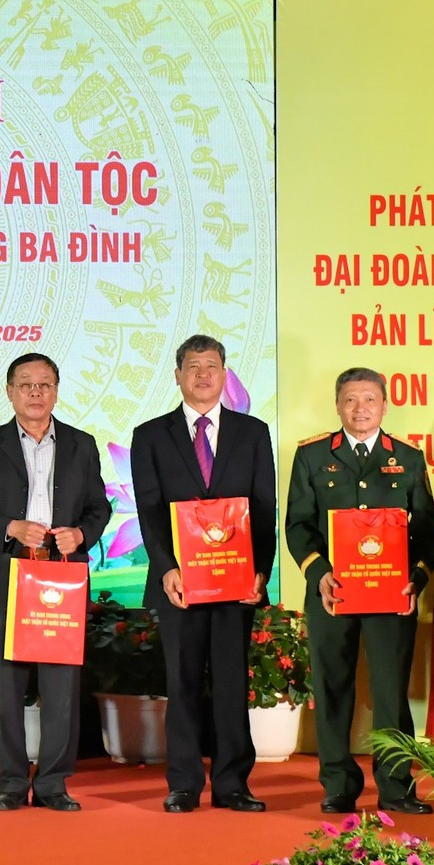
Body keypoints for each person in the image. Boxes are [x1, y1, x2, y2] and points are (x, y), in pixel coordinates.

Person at [129, 336, 277, 814]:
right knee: (184, 681)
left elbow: (264, 509)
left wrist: (261, 571)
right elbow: (148, 509)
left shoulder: (252, 433)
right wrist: (167, 568)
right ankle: (185, 783)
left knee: (233, 682)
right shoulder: (150, 435)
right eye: (193, 367)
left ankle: (234, 783)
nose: (202, 375)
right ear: (177, 375)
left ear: (224, 373)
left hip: (237, 585)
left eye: (211, 366)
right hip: (181, 587)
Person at [286, 366, 434, 815]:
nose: (360, 408)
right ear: (338, 405)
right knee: (333, 687)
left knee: (391, 692)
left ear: (384, 404)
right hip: (331, 596)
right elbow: (298, 525)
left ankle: (396, 787)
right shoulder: (314, 456)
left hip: (392, 599)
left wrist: (414, 578)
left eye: (369, 399)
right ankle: (337, 785)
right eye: (351, 399)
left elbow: (427, 533)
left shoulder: (408, 459)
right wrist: (319, 574)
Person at [0, 352, 112, 813]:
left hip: (60, 577)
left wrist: (81, 534)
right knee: (6, 685)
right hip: (8, 575)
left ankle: (53, 783)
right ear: (9, 392)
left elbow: (99, 508)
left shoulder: (82, 445)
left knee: (61, 685)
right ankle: (9, 782)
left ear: (57, 391)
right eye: (25, 385)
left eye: (44, 385)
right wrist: (10, 527)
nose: (35, 393)